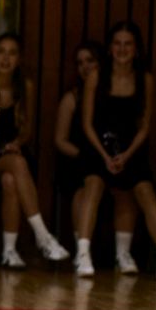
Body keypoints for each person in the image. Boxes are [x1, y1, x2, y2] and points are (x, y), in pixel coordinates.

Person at [74, 21, 156, 280]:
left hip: (131, 149)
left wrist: (126, 155)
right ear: (110, 48)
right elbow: (87, 123)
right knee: (94, 184)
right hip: (98, 147)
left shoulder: (144, 79)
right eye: (117, 43)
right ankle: (83, 254)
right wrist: (105, 156)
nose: (122, 49)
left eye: (128, 44)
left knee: (142, 190)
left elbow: (145, 125)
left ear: (136, 49)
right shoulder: (97, 76)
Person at [0, 33, 70, 268]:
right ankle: (43, 236)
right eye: (1, 52)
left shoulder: (24, 86)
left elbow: (27, 129)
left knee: (10, 180)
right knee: (16, 166)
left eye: (12, 53)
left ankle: (9, 251)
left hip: (14, 152)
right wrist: (1, 149)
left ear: (19, 59)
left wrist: (16, 143)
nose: (6, 58)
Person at [54, 40, 139, 266]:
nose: (85, 67)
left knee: (127, 188)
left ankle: (122, 254)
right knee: (84, 188)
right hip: (79, 160)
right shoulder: (71, 98)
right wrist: (84, 154)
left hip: (111, 157)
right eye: (80, 62)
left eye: (90, 61)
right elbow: (60, 141)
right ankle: (82, 252)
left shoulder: (111, 94)